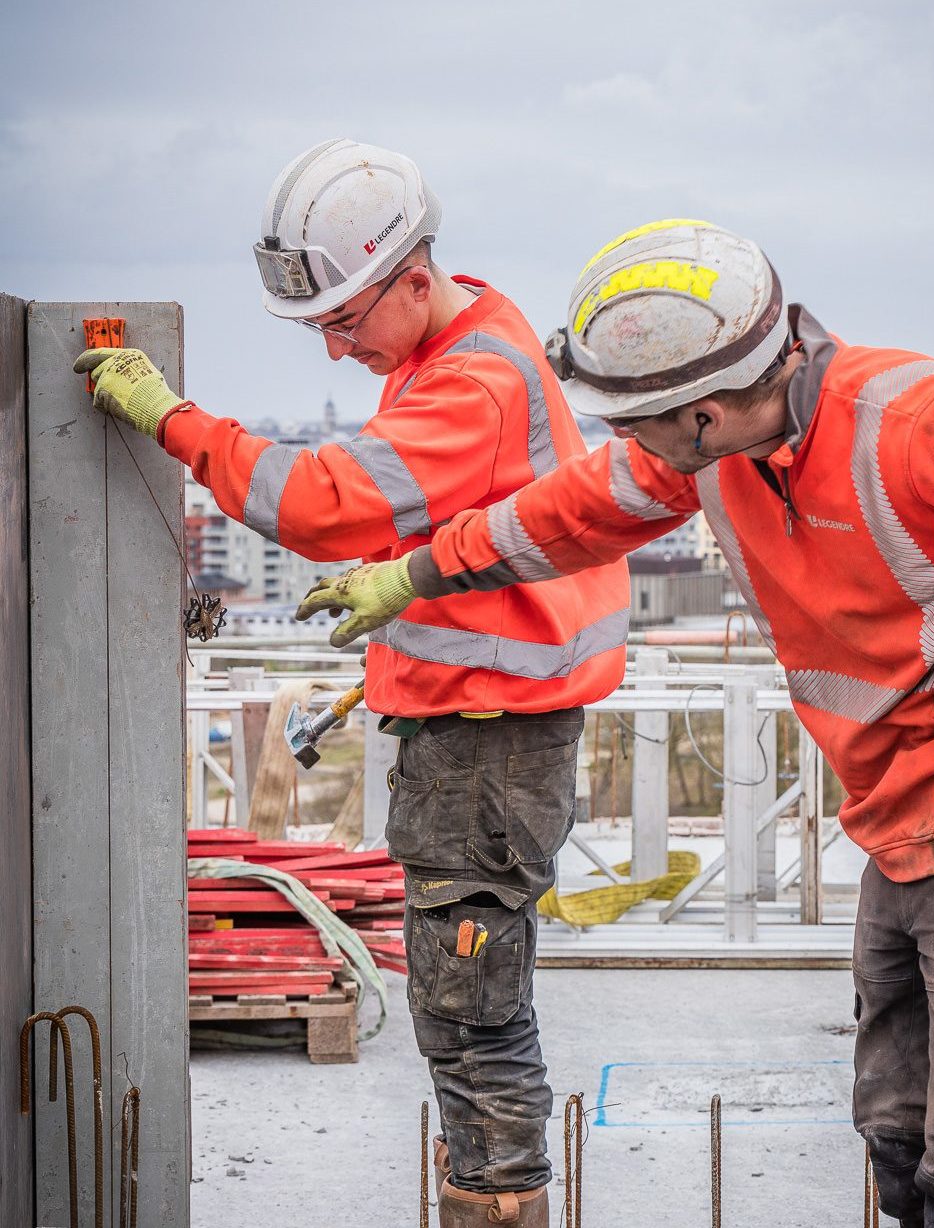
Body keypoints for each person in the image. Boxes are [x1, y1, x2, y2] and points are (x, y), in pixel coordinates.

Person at [294, 218, 934, 1226]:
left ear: (708, 408)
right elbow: (567, 513)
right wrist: (414, 574)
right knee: (899, 1133)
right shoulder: (724, 448)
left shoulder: (917, 420)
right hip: (900, 824)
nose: (628, 442)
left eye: (640, 421)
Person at [73, 138, 629, 1228]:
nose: (333, 351)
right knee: (467, 999)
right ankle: (494, 1193)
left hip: (489, 744)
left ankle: (497, 1205)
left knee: (472, 1009)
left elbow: (322, 502)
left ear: (415, 281)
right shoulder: (460, 346)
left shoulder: (472, 376)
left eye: (343, 320)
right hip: (481, 736)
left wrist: (176, 421)